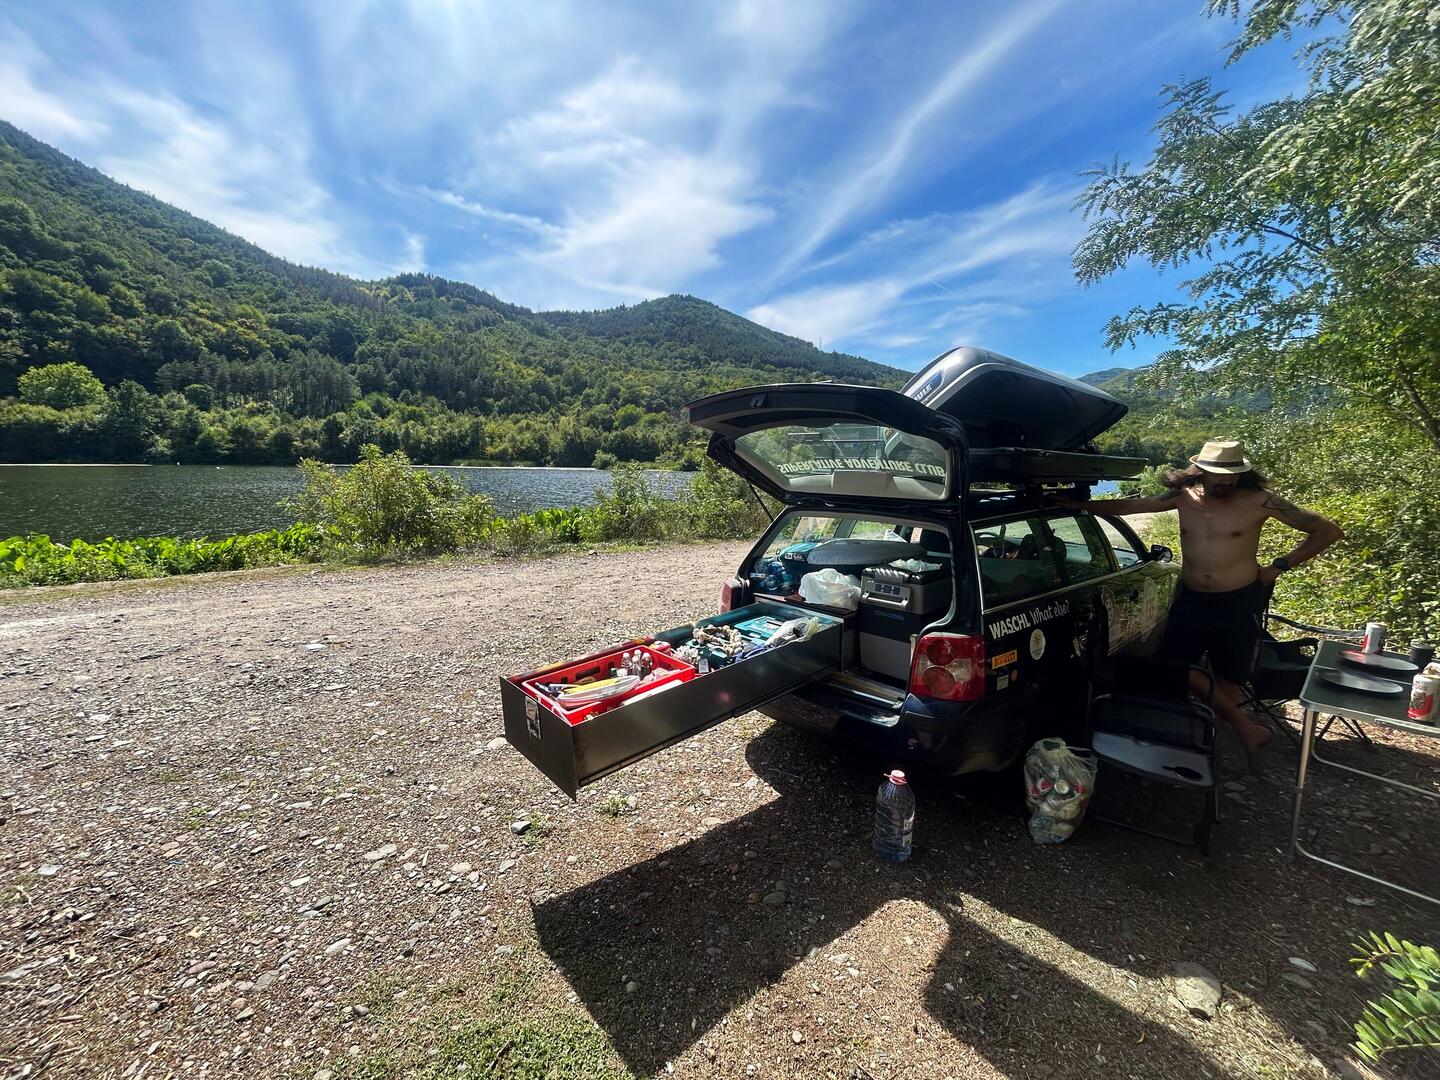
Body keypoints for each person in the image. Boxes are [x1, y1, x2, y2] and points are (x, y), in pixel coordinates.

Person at [1059, 439, 1343, 760]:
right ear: (1200, 471)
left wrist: (1278, 566)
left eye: (1232, 475)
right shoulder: (1184, 497)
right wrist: (1080, 505)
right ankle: (1237, 727)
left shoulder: (1261, 500)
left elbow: (1327, 531)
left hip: (1238, 601)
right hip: (1191, 599)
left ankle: (1213, 750)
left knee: (1229, 674)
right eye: (1218, 474)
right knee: (1172, 667)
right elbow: (1131, 506)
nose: (1226, 481)